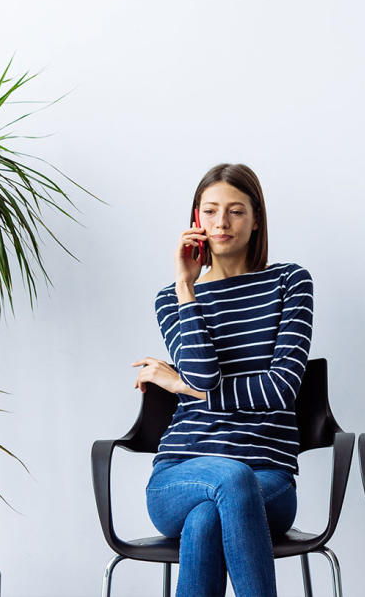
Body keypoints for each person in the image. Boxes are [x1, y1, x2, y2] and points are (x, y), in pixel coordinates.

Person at [131, 163, 313, 597]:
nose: (221, 223)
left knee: (212, 511)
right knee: (220, 489)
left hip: (268, 477)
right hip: (180, 474)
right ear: (196, 219)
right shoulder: (171, 298)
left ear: (256, 220)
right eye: (210, 211)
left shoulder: (289, 282)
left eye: (235, 211)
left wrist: (180, 387)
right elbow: (205, 373)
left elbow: (279, 390)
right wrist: (185, 286)